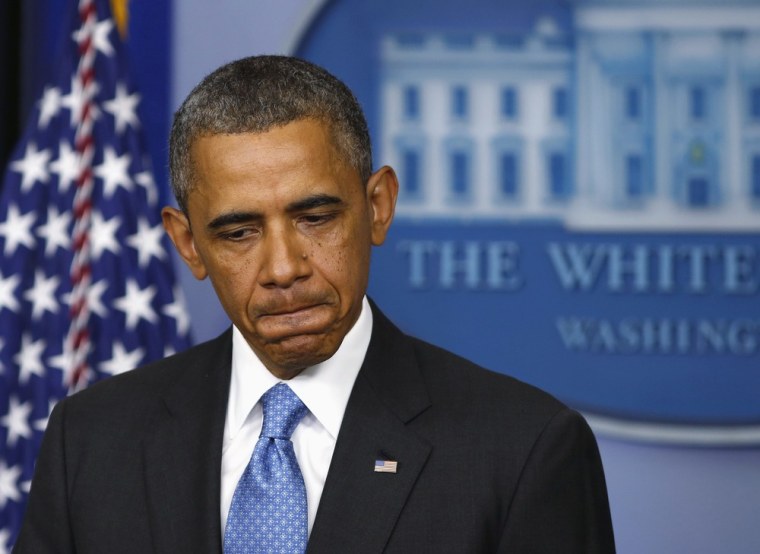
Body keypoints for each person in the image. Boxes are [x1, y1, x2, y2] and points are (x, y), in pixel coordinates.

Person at [15, 55, 615, 553]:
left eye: (316, 217)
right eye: (238, 232)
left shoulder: (523, 448)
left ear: (378, 205)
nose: (283, 268)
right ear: (188, 244)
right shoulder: (90, 441)